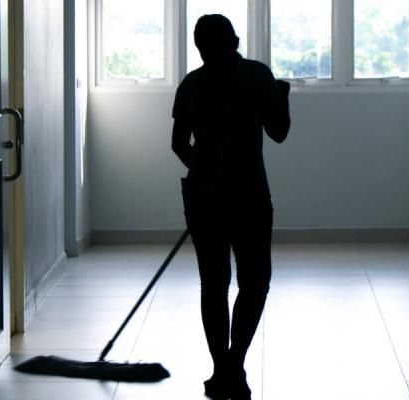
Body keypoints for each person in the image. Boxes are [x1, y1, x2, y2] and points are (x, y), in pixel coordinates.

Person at [171, 14, 291, 400]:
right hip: (250, 195)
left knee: (214, 283)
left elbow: (177, 143)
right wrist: (282, 97)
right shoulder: (258, 76)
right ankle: (233, 363)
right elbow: (279, 133)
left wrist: (206, 168)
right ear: (236, 40)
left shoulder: (190, 84)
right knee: (255, 282)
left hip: (203, 196)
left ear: (199, 46)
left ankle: (223, 366)